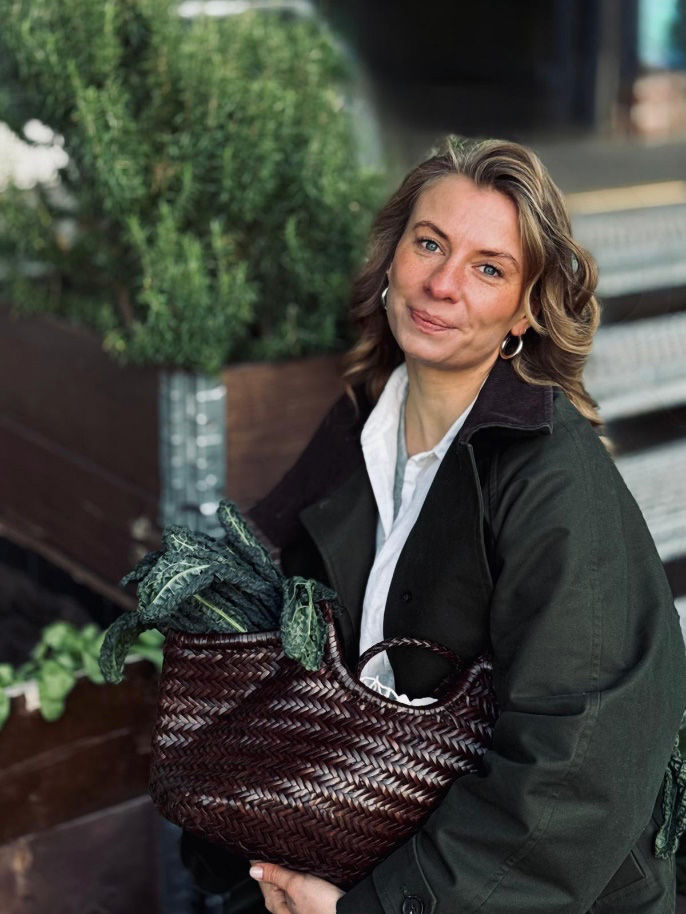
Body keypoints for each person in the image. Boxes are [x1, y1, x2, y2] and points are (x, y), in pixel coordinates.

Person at [184, 137, 686, 913]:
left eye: (489, 268)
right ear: (392, 259)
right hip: (361, 849)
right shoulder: (362, 424)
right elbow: (249, 596)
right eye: (430, 244)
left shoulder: (552, 479)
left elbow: (576, 769)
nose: (443, 284)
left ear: (524, 310)